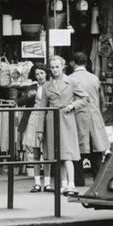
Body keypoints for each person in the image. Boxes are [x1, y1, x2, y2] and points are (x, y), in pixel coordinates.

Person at [35, 55, 87, 195]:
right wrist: (40, 130)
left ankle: (71, 184)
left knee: (68, 153)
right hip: (52, 120)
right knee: (58, 154)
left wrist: (72, 105)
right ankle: (63, 184)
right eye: (52, 67)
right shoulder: (47, 86)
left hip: (66, 118)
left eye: (57, 67)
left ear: (63, 67)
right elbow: (42, 109)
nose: (55, 70)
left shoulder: (71, 81)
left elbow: (85, 98)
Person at [69, 52, 110, 181]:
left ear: (72, 63)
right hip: (94, 115)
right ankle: (97, 179)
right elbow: (102, 100)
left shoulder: (69, 79)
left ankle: (78, 179)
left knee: (77, 149)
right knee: (96, 150)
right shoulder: (94, 78)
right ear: (86, 63)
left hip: (77, 116)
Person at [18, 64, 52, 192]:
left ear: (46, 74)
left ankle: (48, 183)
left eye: (42, 73)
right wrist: (28, 96)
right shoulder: (32, 87)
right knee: (36, 152)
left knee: (48, 153)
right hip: (33, 118)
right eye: (37, 74)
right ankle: (37, 183)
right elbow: (19, 102)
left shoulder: (51, 86)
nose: (39, 76)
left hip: (46, 118)